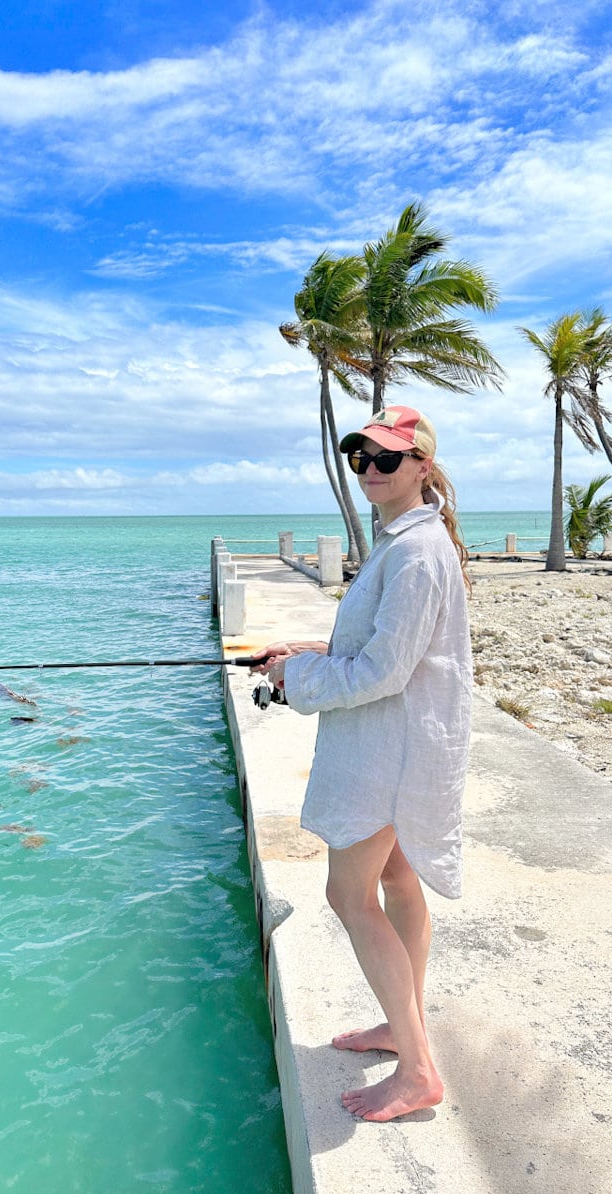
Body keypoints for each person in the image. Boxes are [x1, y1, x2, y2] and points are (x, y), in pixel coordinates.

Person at [251, 404, 472, 1123]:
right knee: (401, 883)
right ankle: (402, 1025)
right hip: (402, 747)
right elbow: (380, 642)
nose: (369, 471)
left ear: (422, 468)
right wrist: (305, 652)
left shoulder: (413, 551)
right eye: (360, 459)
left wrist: (297, 680)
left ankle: (416, 1072)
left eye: (386, 459)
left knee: (350, 898)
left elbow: (382, 670)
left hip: (386, 755)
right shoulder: (408, 542)